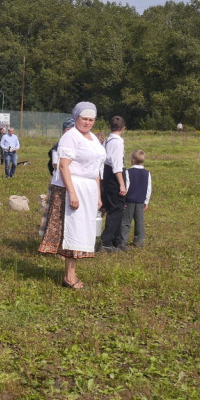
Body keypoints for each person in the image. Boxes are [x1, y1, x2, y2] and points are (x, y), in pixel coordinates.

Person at [37, 102, 105, 289]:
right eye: (84, 118)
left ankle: (71, 273)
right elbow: (64, 166)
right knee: (73, 231)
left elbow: (96, 170)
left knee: (83, 231)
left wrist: (98, 195)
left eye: (91, 119)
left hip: (89, 188)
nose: (88, 122)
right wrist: (72, 193)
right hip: (73, 187)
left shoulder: (93, 138)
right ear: (76, 118)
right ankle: (69, 276)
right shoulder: (71, 137)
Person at [99, 116, 127, 251]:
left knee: (117, 208)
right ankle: (106, 242)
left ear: (110, 127)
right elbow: (117, 166)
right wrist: (121, 184)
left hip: (107, 174)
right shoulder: (117, 142)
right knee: (115, 209)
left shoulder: (107, 140)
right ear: (123, 129)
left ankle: (117, 240)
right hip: (115, 176)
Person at [120, 149, 152, 248]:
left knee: (126, 221)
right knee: (140, 222)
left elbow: (127, 186)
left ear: (133, 160)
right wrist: (146, 201)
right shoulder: (147, 173)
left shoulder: (128, 172)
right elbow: (148, 188)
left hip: (129, 200)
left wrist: (124, 199)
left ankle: (122, 241)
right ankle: (139, 241)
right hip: (140, 201)